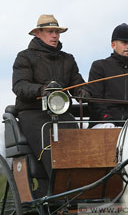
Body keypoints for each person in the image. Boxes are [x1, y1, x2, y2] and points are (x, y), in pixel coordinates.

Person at [12, 14, 87, 178]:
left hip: (62, 114)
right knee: (52, 148)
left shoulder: (68, 59)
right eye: (50, 31)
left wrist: (83, 92)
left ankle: (82, 187)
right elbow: (19, 86)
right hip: (33, 114)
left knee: (82, 145)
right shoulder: (24, 57)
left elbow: (77, 84)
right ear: (38, 33)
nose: (55, 36)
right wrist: (41, 90)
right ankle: (59, 191)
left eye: (57, 32)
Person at [87, 23, 128, 128]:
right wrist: (107, 120)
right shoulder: (99, 66)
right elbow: (95, 99)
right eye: (124, 43)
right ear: (113, 45)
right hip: (103, 123)